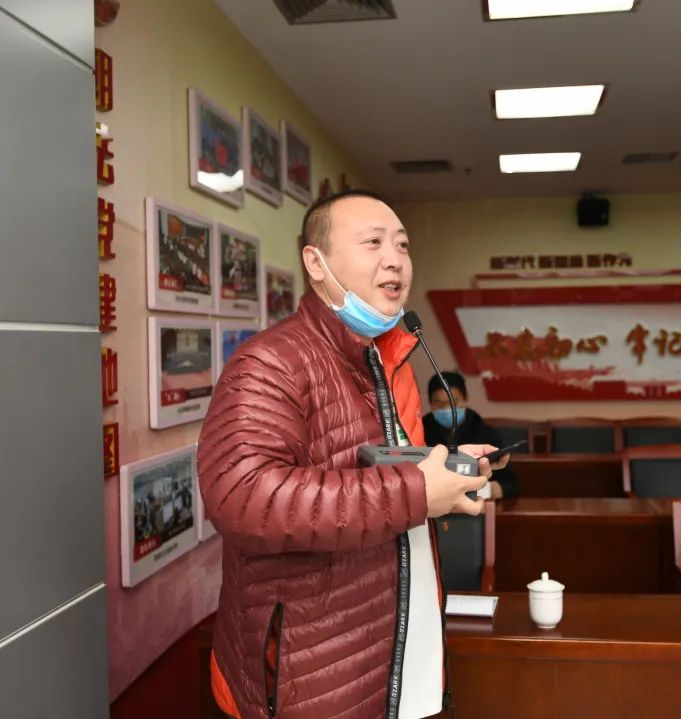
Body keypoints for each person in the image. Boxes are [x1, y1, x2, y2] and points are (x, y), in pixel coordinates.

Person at [197, 189, 508, 719]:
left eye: (403, 245)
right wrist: (417, 491)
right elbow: (242, 497)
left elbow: (371, 466)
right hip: (314, 672)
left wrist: (444, 474)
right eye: (373, 243)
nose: (395, 259)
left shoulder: (387, 359)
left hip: (399, 644)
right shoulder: (270, 362)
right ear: (316, 263)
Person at [423, 372, 518, 500]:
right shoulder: (419, 434)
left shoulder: (485, 433)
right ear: (430, 403)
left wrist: (501, 488)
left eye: (453, 402)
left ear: (466, 399)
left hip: (478, 503)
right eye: (439, 403)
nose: (447, 408)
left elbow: (511, 482)